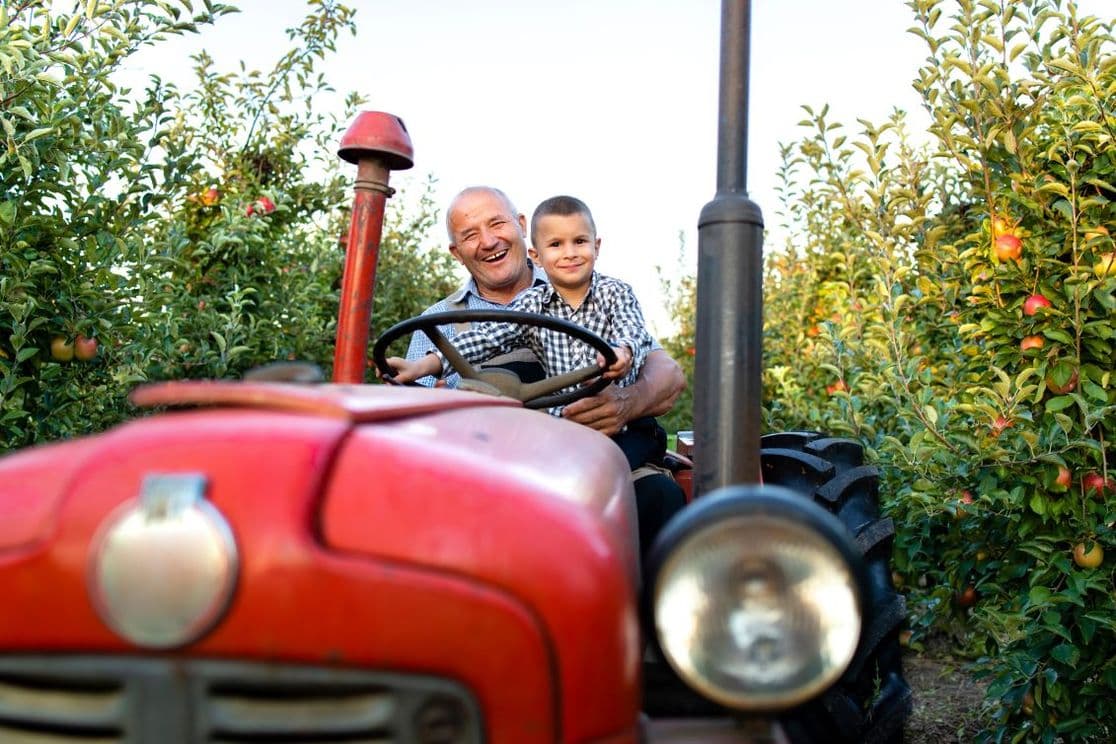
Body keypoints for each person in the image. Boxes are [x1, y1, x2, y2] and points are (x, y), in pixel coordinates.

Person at [401, 186, 686, 558]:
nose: (488, 241)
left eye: (497, 224)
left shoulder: (591, 290)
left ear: (521, 227)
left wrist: (625, 403)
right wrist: (440, 402)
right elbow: (411, 429)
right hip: (489, 475)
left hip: (592, 451)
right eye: (470, 235)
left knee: (657, 497)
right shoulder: (438, 323)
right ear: (457, 252)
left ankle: (640, 611)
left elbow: (668, 374)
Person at [389, 195, 664, 471]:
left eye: (579, 242)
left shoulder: (615, 293)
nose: (569, 253)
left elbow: (637, 337)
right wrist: (421, 366)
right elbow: (483, 339)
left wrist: (622, 354)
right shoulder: (525, 306)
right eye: (556, 245)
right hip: (522, 449)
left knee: (644, 487)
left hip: (615, 436)